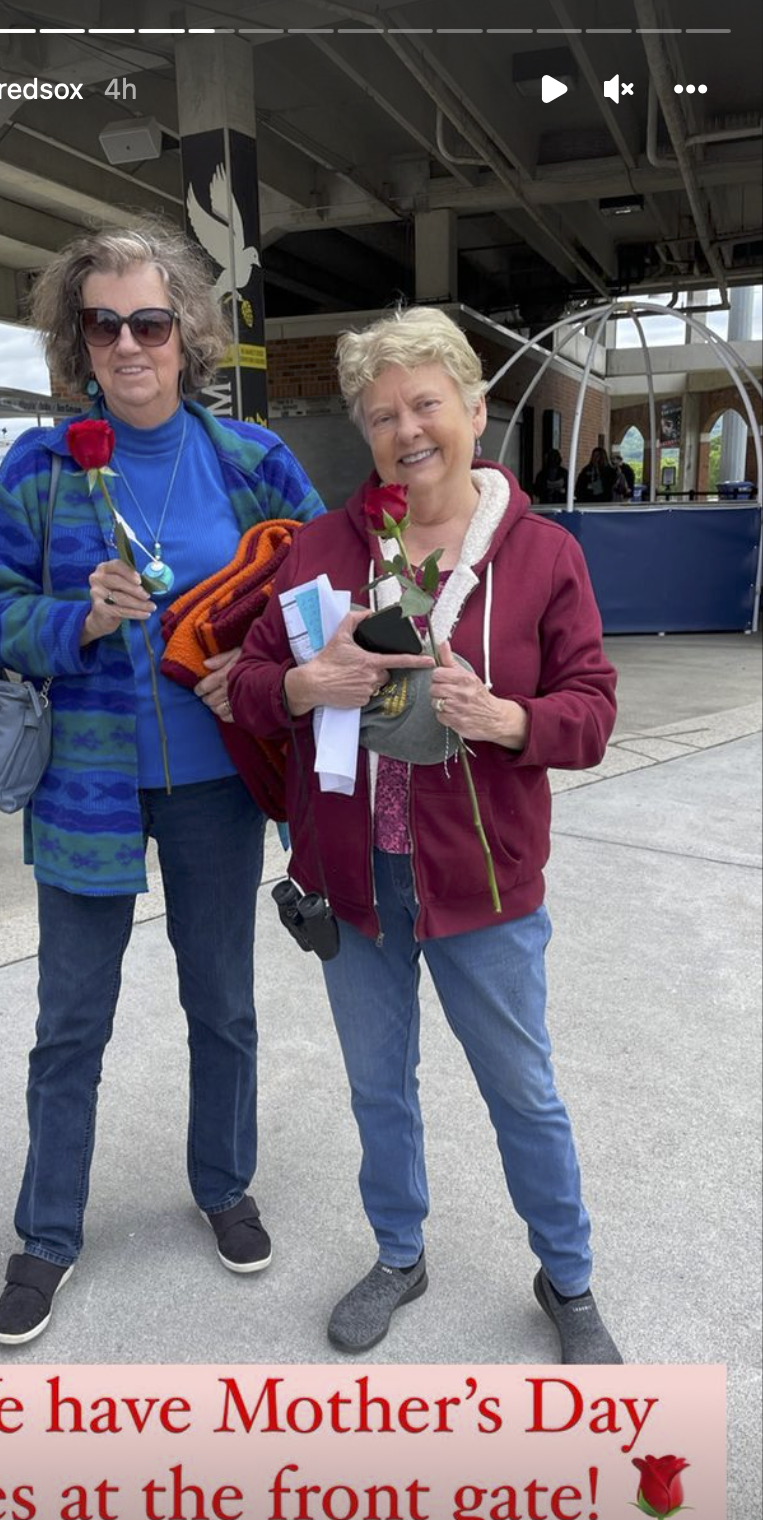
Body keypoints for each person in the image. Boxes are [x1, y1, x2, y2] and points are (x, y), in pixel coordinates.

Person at [230, 306, 622, 1364]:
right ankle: (399, 1254)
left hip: (484, 885)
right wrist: (308, 682)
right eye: (379, 415)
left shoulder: (540, 557)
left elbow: (591, 708)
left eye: (423, 404)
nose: (405, 430)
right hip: (354, 881)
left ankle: (568, 1278)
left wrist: (510, 721)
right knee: (375, 1082)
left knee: (520, 1091)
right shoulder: (322, 551)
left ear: (473, 405)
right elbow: (254, 686)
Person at [0, 221, 323, 1346]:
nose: (129, 344)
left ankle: (222, 1185)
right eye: (105, 323)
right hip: (85, 790)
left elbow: (322, 595)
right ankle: (47, 1235)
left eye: (150, 323)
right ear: (79, 336)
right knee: (70, 1020)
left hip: (219, 786)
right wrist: (76, 618)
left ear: (187, 336)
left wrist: (258, 665)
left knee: (220, 1003)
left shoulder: (252, 461)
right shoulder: (40, 466)